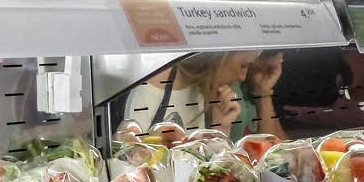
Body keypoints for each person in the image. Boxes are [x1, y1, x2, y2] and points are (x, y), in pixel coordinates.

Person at [122, 50, 287, 140]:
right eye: (243, 65)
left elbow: (206, 169)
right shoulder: (148, 91)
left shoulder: (201, 92)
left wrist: (221, 128)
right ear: (219, 58)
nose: (243, 77)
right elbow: (132, 166)